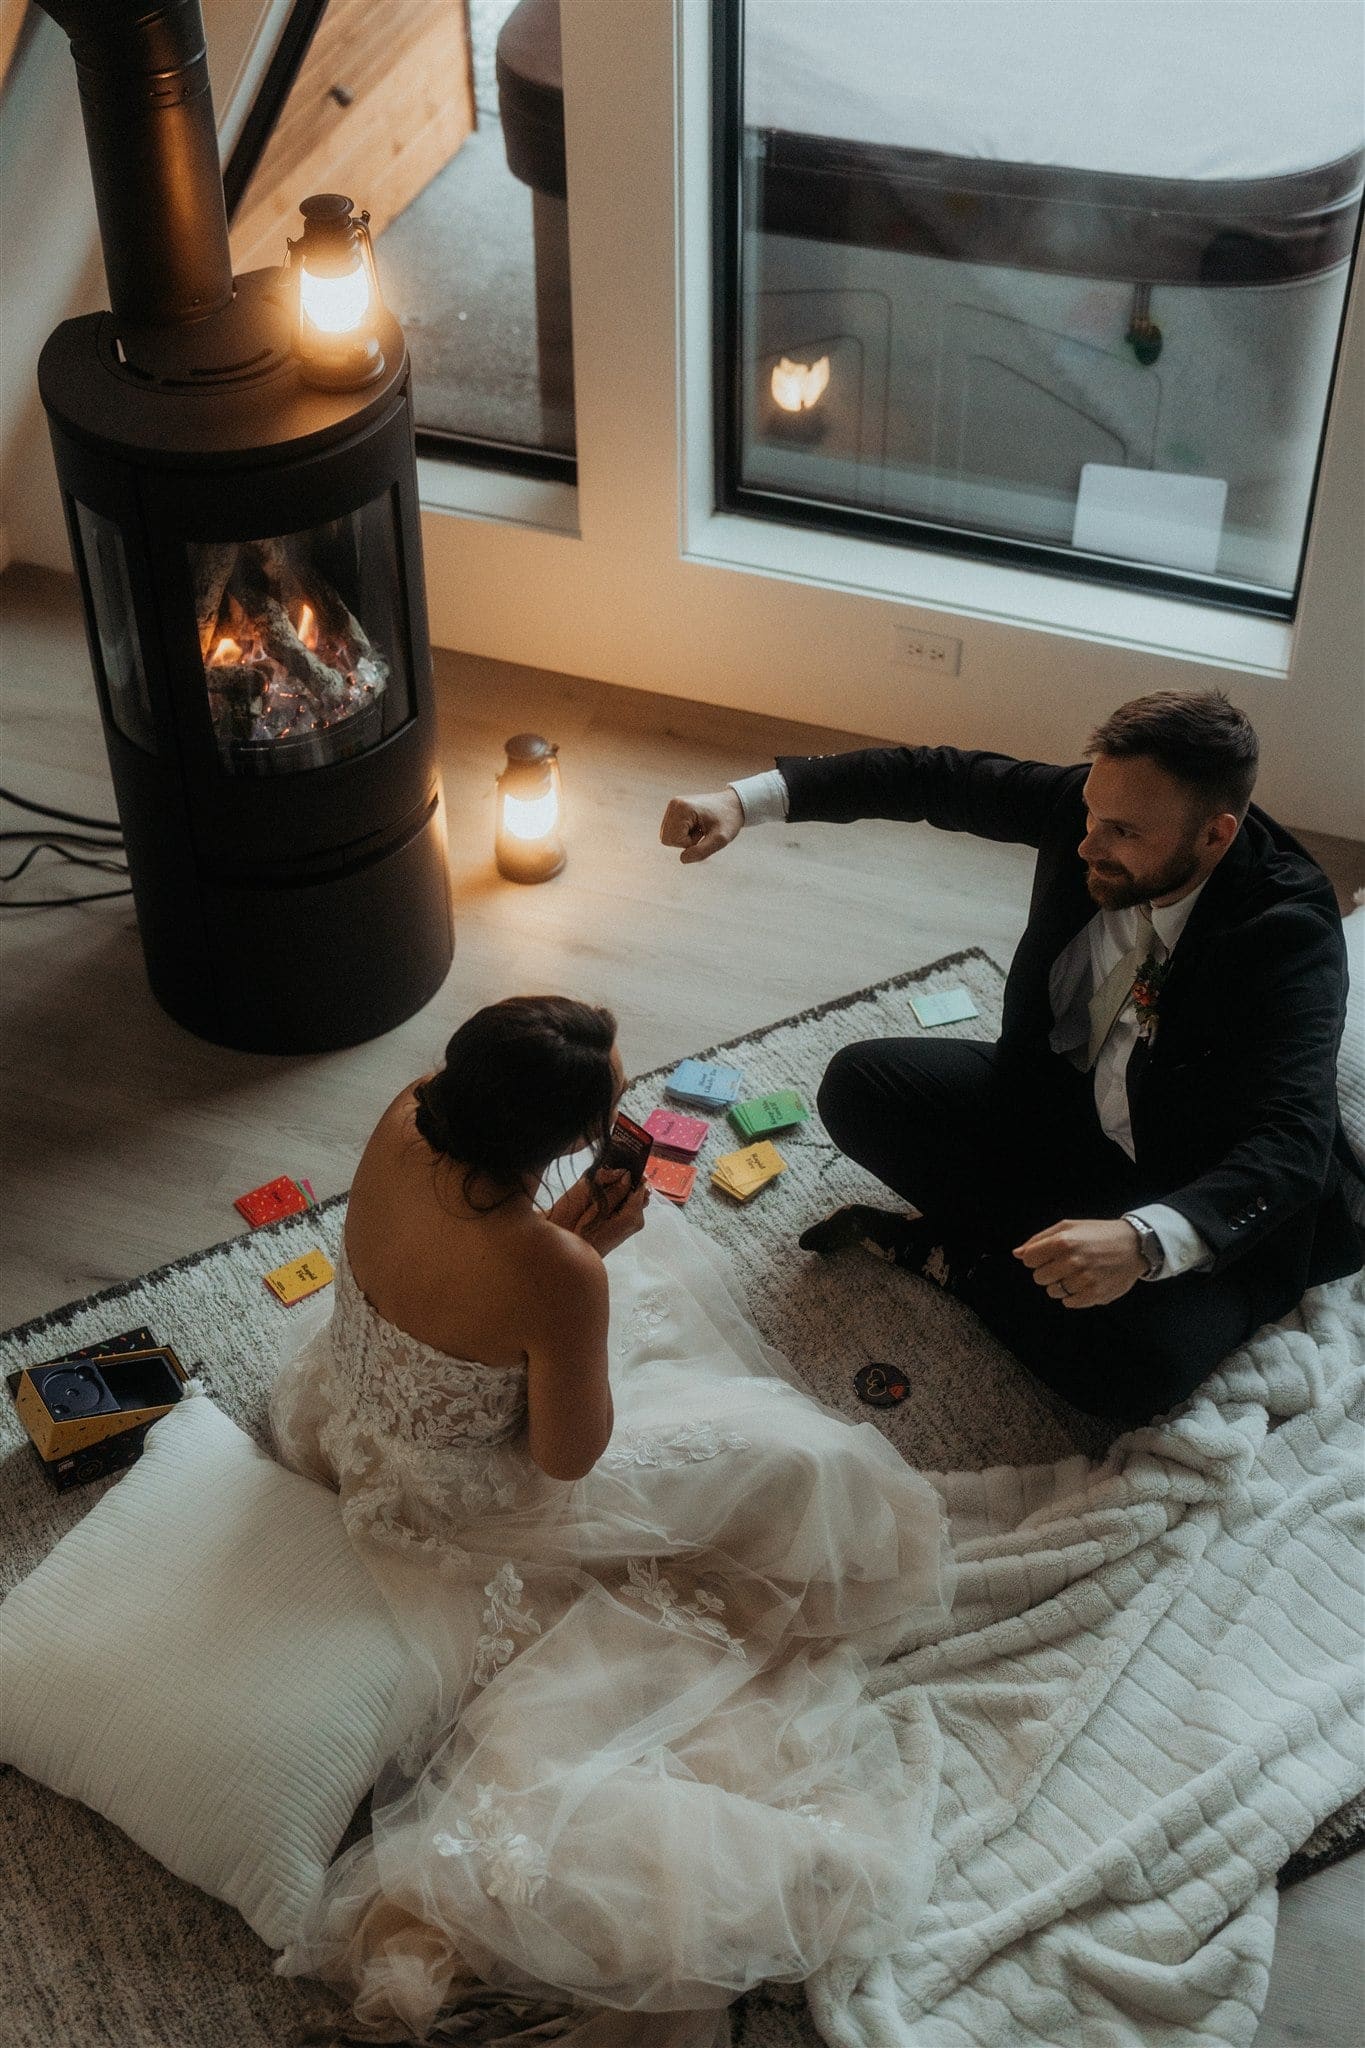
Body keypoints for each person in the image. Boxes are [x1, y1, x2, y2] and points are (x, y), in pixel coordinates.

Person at [269, 995, 952, 2048]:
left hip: (350, 1421)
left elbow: (474, 1273)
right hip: (470, 1506)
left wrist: (557, 1244)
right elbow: (564, 1455)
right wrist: (584, 1258)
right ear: (553, 1140)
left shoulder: (404, 1113)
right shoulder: (556, 1270)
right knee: (806, 1466)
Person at [661, 692, 1362, 1422]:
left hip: (1185, 1179)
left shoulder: (1290, 931)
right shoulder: (1089, 810)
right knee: (857, 1085)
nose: (1089, 842)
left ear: (1215, 836)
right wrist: (747, 800)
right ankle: (1012, 1254)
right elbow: (930, 777)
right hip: (1059, 1109)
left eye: (1121, 830)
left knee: (1140, 1377)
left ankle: (961, 1259)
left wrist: (1139, 1239)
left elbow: (1291, 1143)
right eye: (1092, 811)